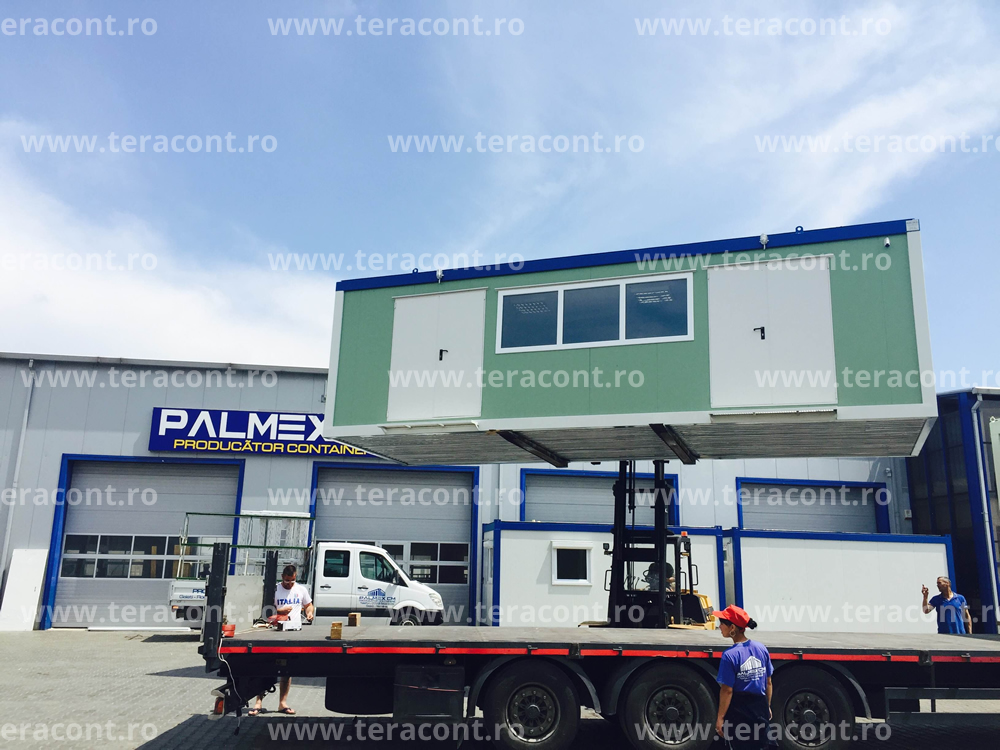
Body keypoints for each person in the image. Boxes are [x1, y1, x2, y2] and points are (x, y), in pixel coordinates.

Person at [249, 564, 315, 716]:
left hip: (293, 632)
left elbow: (309, 605)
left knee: (287, 669)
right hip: (274, 632)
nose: (289, 584)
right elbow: (264, 610)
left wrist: (309, 613)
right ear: (282, 577)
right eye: (287, 581)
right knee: (265, 667)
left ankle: (282, 703)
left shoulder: (301, 590)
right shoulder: (275, 590)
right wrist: (279, 611)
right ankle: (258, 702)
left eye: (292, 581)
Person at [712, 605, 773, 750]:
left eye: (722, 623)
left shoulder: (729, 655)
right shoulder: (761, 648)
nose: (719, 627)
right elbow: (768, 682)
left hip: (740, 711)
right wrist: (767, 706)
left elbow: (727, 690)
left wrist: (720, 718)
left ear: (732, 627)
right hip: (760, 707)